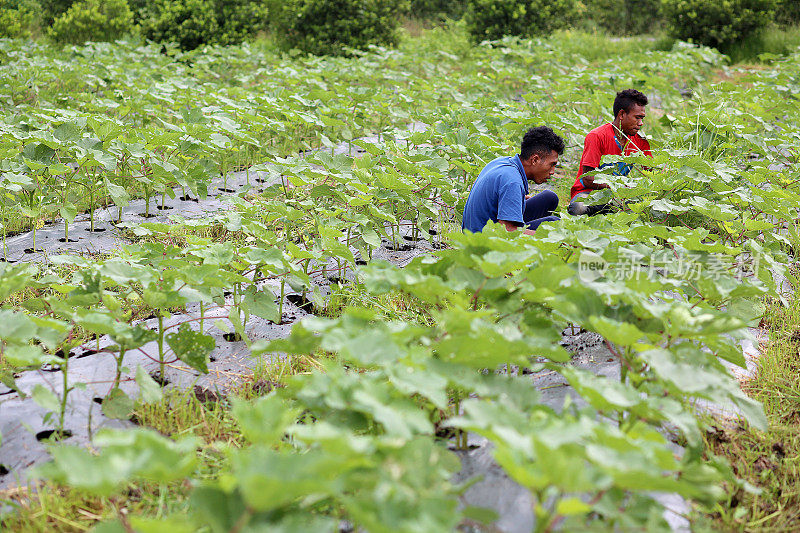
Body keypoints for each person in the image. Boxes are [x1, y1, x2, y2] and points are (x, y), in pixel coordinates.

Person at [462, 126, 565, 236]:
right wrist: (554, 238)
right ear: (535, 159)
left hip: (480, 226)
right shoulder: (513, 181)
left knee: (549, 198)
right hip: (483, 240)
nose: (553, 171)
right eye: (552, 165)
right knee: (554, 226)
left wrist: (518, 197)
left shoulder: (503, 162)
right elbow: (507, 230)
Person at [568, 89, 652, 216]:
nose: (640, 123)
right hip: (589, 193)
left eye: (642, 118)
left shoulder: (640, 141)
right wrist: (622, 187)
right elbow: (588, 179)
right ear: (622, 114)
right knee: (578, 208)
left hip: (618, 197)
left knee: (645, 210)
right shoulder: (596, 136)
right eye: (637, 118)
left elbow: (652, 173)